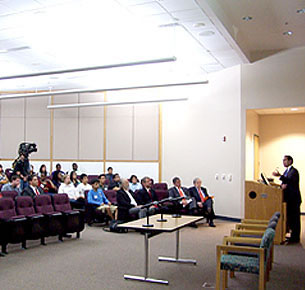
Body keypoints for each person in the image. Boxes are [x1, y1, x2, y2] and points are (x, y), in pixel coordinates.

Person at [273, 155, 302, 244]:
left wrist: (279, 175)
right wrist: (282, 185)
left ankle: (295, 238)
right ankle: (292, 235)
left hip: (294, 199)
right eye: (283, 160)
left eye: (285, 160)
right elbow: (286, 183)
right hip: (289, 198)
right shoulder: (287, 171)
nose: (284, 162)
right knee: (290, 218)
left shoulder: (294, 171)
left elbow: (290, 181)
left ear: (290, 161)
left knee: (295, 219)